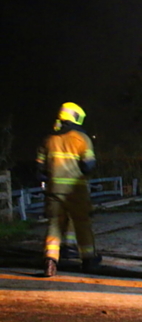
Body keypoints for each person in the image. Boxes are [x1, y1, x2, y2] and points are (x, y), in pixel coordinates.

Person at [36, 102, 101, 277]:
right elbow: (89, 165)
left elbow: (40, 168)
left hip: (53, 190)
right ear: (75, 117)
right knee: (82, 224)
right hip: (76, 190)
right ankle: (88, 259)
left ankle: (50, 260)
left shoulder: (49, 139)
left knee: (54, 225)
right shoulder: (81, 138)